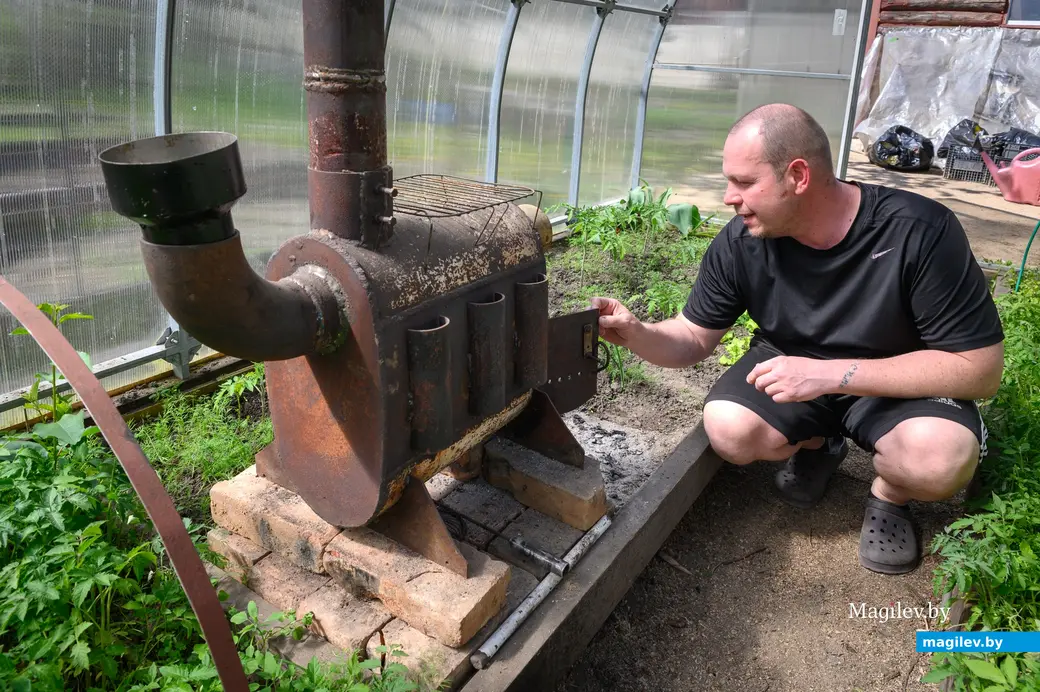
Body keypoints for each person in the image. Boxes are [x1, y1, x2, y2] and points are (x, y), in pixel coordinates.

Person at [591, 103, 1005, 575]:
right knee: (728, 429)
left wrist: (829, 373)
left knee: (938, 459)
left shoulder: (919, 232)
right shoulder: (742, 241)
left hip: (897, 378)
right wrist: (637, 333)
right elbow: (691, 336)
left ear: (798, 176)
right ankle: (817, 443)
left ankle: (890, 495)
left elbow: (980, 370)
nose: (729, 197)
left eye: (745, 183)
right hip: (791, 369)